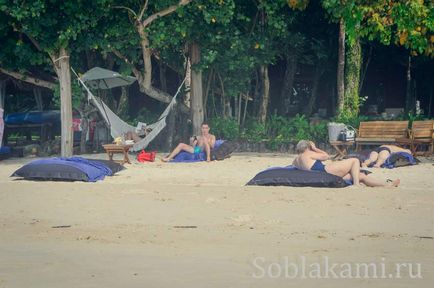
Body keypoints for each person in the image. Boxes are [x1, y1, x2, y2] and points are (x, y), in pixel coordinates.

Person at [292, 140, 400, 187]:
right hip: (326, 172)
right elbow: (326, 156)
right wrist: (315, 148)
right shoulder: (308, 153)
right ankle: (356, 185)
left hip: (321, 175)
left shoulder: (295, 160)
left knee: (360, 175)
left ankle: (386, 185)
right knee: (355, 161)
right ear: (307, 147)